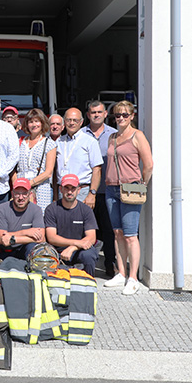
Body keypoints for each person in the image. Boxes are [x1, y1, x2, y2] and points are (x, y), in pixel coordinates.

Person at [103, 100, 153, 296]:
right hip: (111, 188)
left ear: (132, 116)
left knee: (131, 235)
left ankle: (133, 278)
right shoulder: (112, 137)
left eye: (125, 115)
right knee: (117, 232)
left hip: (130, 189)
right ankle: (121, 273)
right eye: (117, 115)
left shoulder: (137, 135)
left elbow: (148, 164)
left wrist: (142, 185)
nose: (121, 118)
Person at [85, 100, 118, 277]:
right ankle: (86, 264)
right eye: (93, 112)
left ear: (105, 114)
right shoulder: (81, 134)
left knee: (109, 229)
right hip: (84, 191)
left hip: (108, 190)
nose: (96, 115)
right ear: (88, 115)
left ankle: (109, 263)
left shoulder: (114, 135)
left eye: (99, 112)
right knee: (86, 229)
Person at [44, 174, 101, 276]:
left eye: (73, 188)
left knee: (89, 254)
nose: (70, 192)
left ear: (79, 190)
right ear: (60, 189)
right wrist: (76, 243)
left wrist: (73, 247)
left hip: (79, 250)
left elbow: (91, 238)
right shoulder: (51, 209)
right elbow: (51, 238)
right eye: (66, 188)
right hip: (57, 251)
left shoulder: (86, 210)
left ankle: (88, 284)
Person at [56, 107, 103, 208]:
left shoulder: (90, 141)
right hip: (62, 191)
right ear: (64, 122)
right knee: (63, 223)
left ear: (81, 122)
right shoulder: (58, 142)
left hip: (81, 191)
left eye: (75, 120)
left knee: (80, 222)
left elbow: (97, 169)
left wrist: (92, 194)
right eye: (69, 120)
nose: (71, 123)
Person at [14, 108, 57, 213]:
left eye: (37, 121)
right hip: (20, 189)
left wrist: (30, 183)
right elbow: (13, 167)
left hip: (41, 188)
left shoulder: (49, 143)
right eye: (31, 122)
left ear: (42, 123)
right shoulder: (20, 141)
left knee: (39, 218)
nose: (34, 125)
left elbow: (48, 172)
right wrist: (17, 184)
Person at [0, 178, 46, 260]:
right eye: (17, 194)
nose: (21, 197)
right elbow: (2, 239)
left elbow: (40, 238)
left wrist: (13, 239)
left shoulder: (36, 209)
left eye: (24, 194)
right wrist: (26, 232)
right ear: (12, 194)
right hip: (6, 250)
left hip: (26, 249)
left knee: (33, 247)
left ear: (30, 194)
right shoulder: (1, 209)